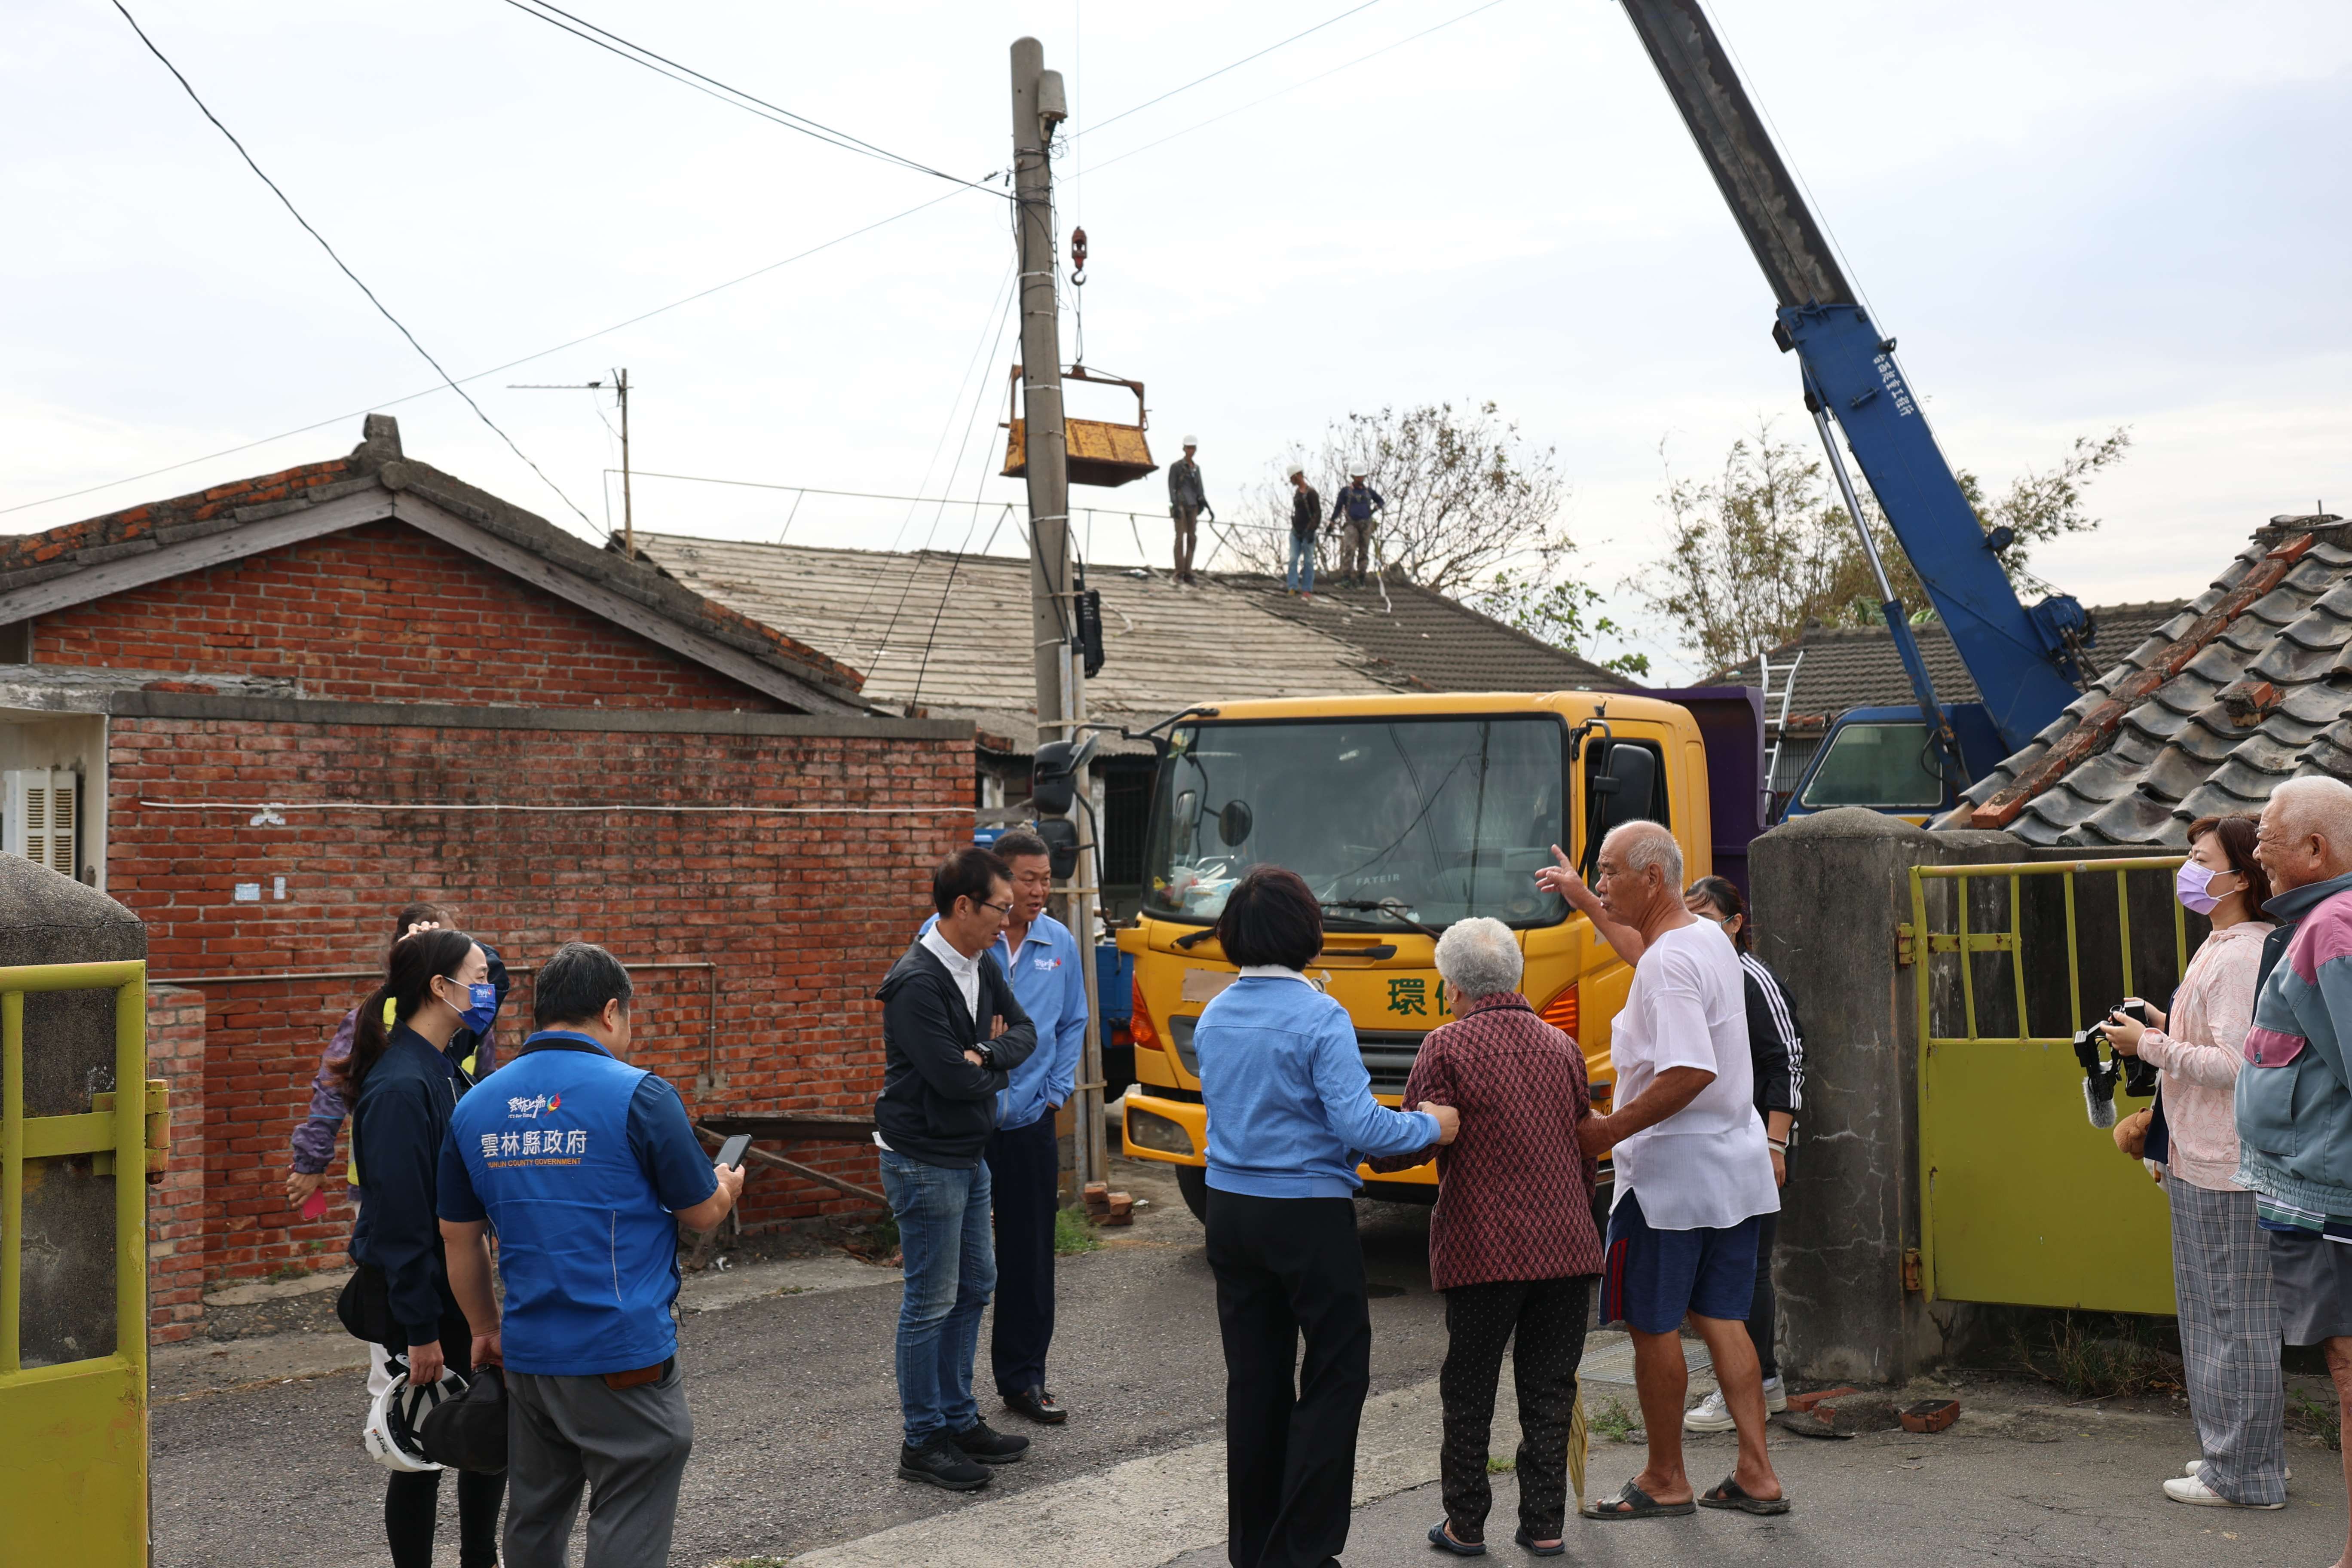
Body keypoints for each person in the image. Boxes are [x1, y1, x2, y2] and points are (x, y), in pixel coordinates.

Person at [439, 941, 743, 1568]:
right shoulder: (641, 1096)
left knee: (536, 1508)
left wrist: (484, 1330)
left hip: (527, 1351)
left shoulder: (475, 1107)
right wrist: (728, 1185)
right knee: (640, 1476)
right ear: (611, 1012)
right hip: (618, 1350)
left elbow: (459, 1238)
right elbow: (703, 1213)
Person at [1194, 864, 1459, 1568]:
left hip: (1228, 1209)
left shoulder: (1216, 1013)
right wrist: (1432, 1126)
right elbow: (1362, 1127)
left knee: (1254, 1379)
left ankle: (1253, 1548)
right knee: (1337, 1372)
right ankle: (1303, 1547)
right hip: (1305, 1211)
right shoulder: (1318, 1014)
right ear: (1307, 932)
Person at [1535, 822, 1785, 1521]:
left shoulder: (1673, 959)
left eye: (1610, 871)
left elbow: (1688, 1068)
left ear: (1652, 877)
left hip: (1670, 1176)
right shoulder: (1706, 936)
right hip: (1731, 1169)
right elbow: (1646, 951)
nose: (1603, 880)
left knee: (1653, 1325)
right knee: (1723, 1316)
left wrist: (1605, 1130)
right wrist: (1587, 900)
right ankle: (1756, 1472)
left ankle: (1666, 1475)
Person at [1366, 916, 1600, 1558]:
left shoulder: (1445, 1047)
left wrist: (1358, 1142)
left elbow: (1413, 1143)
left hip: (1484, 1249)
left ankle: (1466, 1524)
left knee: (1470, 1390)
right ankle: (1545, 1526)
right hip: (1567, 1250)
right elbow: (1584, 1153)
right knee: (1550, 1391)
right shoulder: (1564, 1048)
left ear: (1454, 988)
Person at [2097, 815, 2285, 1509]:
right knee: (2227, 1317)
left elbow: (2237, 1064)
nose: (2188, 867)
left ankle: (2243, 1472)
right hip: (2204, 1153)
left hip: (2223, 1161)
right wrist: (2158, 1021)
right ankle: (2240, 1454)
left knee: (2227, 1320)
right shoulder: (2227, 944)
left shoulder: (2238, 954)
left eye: (2200, 857)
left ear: (2240, 877)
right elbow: (2212, 1039)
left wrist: (2149, 1045)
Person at [339, 926, 507, 1568]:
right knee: (421, 1452)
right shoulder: (403, 1086)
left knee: (487, 1431)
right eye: (477, 976)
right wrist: (420, 1333)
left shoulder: (441, 1063)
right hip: (425, 1302)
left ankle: (478, 1559)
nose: (489, 988)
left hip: (455, 1293)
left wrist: (452, 941)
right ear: (441, 988)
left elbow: (499, 983)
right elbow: (402, 1223)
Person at [876, 846, 1040, 1491]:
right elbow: (947, 1079)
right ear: (964, 906)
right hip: (923, 1160)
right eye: (1000, 907)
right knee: (930, 1301)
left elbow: (1025, 1035)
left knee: (976, 1285)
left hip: (967, 1154)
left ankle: (957, 1416)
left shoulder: (982, 961)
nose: (1009, 919)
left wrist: (984, 1055)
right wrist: (981, 1066)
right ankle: (923, 1441)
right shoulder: (916, 982)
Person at [918, 828, 1088, 1425]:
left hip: (1028, 1121)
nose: (1041, 890)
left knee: (1030, 1256)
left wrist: (1056, 1093)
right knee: (959, 1268)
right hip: (964, 1121)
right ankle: (948, 1400)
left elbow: (1074, 1022)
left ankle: (1023, 1379)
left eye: (1047, 878)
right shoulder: (955, 940)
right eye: (1028, 878)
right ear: (997, 880)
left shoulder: (1059, 942)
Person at [2242, 775, 2352, 1562]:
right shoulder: (2320, 923)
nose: (2256, 850)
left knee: (2350, 1374)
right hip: (2319, 1193)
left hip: (2333, 1203)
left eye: (2267, 836)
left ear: (2315, 848)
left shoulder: (2331, 930)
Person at [1677, 876, 1803, 1432]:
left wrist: (1775, 1145)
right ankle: (1754, 1383)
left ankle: (1756, 1387)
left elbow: (1789, 1062)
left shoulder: (1753, 979)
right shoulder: (1702, 976)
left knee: (1746, 1270)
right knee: (1719, 1270)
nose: (1696, 931)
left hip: (1754, 1145)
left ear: (1735, 924)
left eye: (1708, 920)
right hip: (1713, 1148)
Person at [288, 902, 507, 1211]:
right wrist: (311, 1162)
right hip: (386, 1181)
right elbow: (331, 1092)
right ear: (437, 981)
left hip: (454, 1170)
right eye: (447, 942)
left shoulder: (468, 1019)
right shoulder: (374, 1023)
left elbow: (486, 1085)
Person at [1328, 468, 1385, 587]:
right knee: (1350, 549)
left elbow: (1381, 501)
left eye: (1362, 477)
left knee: (1364, 552)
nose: (1360, 479)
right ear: (1353, 477)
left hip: (1366, 524)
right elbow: (1338, 507)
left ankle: (1361, 579)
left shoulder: (1369, 492)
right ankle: (1346, 578)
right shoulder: (1346, 491)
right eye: (1358, 477)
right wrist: (1332, 522)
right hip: (1351, 524)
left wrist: (1374, 510)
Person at [1169, 436, 1211, 585]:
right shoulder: (1177, 467)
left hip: (1193, 506)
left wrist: (1208, 507)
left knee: (1192, 537)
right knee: (1180, 537)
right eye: (1188, 448)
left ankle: (1188, 571)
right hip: (1180, 504)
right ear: (1184, 449)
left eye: (1193, 448)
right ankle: (1179, 571)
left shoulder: (1196, 468)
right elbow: (1172, 487)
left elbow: (1200, 490)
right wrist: (1175, 505)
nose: (1190, 451)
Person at [1285, 465, 1321, 596]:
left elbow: (1317, 513)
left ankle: (1307, 589)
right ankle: (1292, 587)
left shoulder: (1311, 493)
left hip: (1308, 532)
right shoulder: (1297, 493)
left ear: (1297, 476)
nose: (1291, 481)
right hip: (1296, 531)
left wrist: (1311, 530)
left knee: (1308, 561)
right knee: (1293, 559)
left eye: (1292, 478)